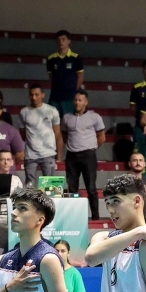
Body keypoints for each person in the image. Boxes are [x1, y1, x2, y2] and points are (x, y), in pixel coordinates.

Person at [61, 90, 106, 220]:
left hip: (88, 156)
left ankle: (95, 217)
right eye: (75, 100)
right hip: (71, 156)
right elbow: (64, 135)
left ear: (86, 102)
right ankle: (73, 218)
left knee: (91, 187)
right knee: (72, 188)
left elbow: (102, 137)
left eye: (80, 100)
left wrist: (91, 148)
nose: (77, 102)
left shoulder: (95, 117)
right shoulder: (66, 117)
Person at [19, 84, 63, 184]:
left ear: (43, 95)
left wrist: (59, 156)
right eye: (31, 95)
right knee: (29, 186)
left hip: (48, 154)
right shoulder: (23, 112)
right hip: (30, 155)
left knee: (50, 187)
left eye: (37, 94)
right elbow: (22, 134)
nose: (34, 97)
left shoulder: (52, 110)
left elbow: (57, 134)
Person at [46, 31, 83, 115]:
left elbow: (80, 77)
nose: (61, 42)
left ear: (69, 41)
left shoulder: (76, 58)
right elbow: (51, 77)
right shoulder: (50, 59)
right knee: (53, 120)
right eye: (58, 39)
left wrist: (73, 91)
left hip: (70, 97)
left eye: (63, 39)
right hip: (55, 97)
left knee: (69, 121)